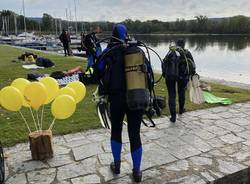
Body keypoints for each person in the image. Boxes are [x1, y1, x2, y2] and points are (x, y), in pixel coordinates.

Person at [96, 24, 145, 182]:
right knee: (135, 134)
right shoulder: (137, 50)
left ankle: (116, 165)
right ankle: (136, 172)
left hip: (116, 99)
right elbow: (148, 73)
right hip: (136, 96)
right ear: (127, 35)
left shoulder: (109, 51)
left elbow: (98, 70)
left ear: (113, 35)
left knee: (116, 130)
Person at [162, 39, 195, 123]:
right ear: (184, 45)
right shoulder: (187, 53)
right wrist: (190, 75)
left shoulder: (170, 52)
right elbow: (193, 66)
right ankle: (181, 110)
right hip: (183, 76)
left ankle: (173, 117)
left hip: (170, 76)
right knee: (181, 92)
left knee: (171, 95)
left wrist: (164, 74)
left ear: (176, 44)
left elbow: (164, 63)